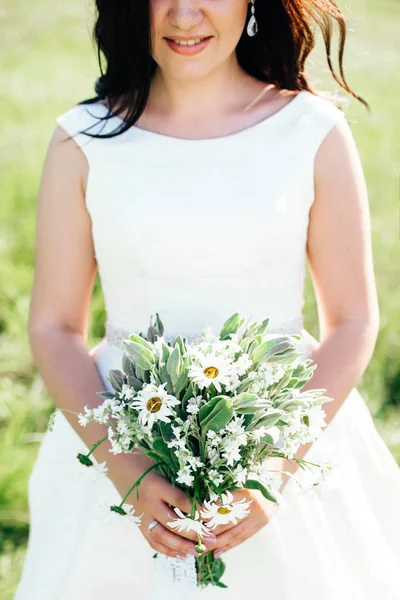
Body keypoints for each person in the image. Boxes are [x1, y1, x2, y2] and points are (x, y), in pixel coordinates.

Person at [14, 0, 400, 598]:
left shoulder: (312, 130)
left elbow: (351, 321)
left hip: (286, 433)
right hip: (121, 428)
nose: (184, 15)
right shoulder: (84, 139)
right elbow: (54, 327)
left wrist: (275, 466)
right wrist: (128, 469)